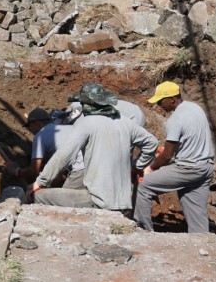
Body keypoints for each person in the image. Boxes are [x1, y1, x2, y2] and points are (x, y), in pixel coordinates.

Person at [31, 84, 158, 216]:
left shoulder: (86, 123)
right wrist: (137, 167)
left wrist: (40, 182)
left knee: (37, 196)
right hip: (124, 205)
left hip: (99, 203)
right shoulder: (125, 122)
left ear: (87, 105)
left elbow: (63, 156)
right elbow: (152, 143)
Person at [135, 81, 215, 233]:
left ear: (172, 99)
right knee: (195, 212)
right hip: (205, 168)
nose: (159, 104)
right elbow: (189, 139)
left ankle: (143, 231)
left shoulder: (175, 119)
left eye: (161, 101)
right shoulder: (195, 108)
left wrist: (151, 168)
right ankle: (203, 244)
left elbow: (167, 156)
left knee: (143, 186)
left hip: (188, 168)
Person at [14, 108, 86, 191]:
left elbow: (34, 171)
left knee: (61, 200)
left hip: (79, 171)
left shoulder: (40, 135)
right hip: (94, 166)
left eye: (30, 126)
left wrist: (17, 171)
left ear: (37, 123)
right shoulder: (66, 128)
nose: (30, 130)